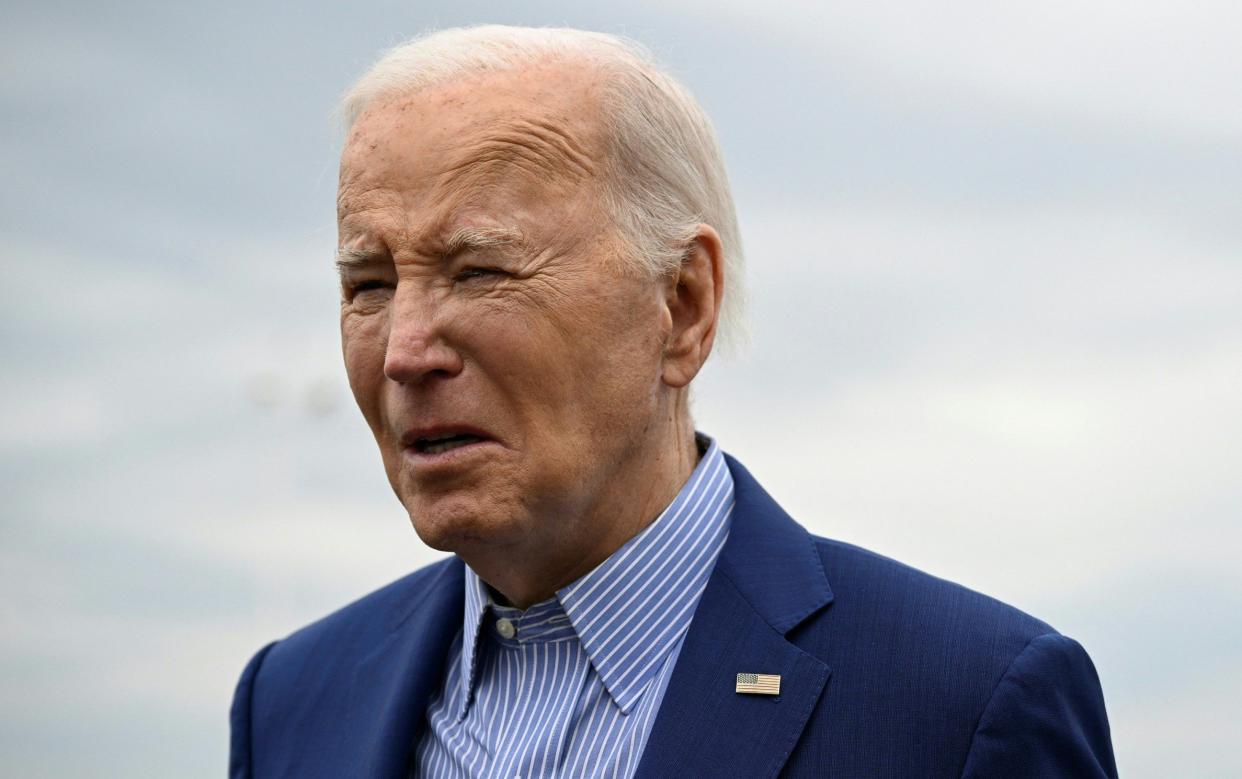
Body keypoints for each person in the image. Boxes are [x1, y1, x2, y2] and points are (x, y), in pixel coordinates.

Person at [229, 25, 1117, 778]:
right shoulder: (291, 707)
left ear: (683, 305)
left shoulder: (960, 709)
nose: (406, 351)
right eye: (370, 283)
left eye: (480, 270)